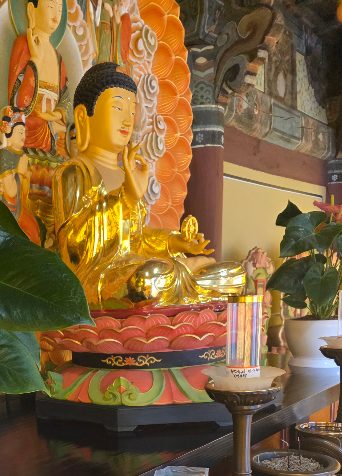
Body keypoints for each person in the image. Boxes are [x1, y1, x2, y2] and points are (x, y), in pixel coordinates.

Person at [52, 62, 238, 306]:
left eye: (131, 112)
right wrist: (125, 198)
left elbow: (137, 239)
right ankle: (182, 284)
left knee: (229, 272)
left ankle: (182, 280)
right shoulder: (74, 171)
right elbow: (74, 246)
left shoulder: (125, 174)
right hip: (97, 278)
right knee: (147, 280)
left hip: (136, 268)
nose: (127, 122)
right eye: (117, 107)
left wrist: (174, 242)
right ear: (82, 117)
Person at [7, 0, 71, 154]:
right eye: (51, 6)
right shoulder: (23, 44)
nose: (56, 14)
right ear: (31, 10)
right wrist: (35, 60)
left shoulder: (59, 58)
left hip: (51, 131)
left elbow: (65, 98)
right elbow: (17, 102)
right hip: (27, 129)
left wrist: (58, 113)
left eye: (59, 9)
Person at [0, 107, 41, 244]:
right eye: (20, 132)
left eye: (24, 132)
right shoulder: (5, 154)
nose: (24, 136)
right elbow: (10, 191)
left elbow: (26, 190)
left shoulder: (22, 155)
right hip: (10, 210)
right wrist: (21, 172)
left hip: (22, 207)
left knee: (36, 227)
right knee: (30, 232)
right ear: (9, 132)